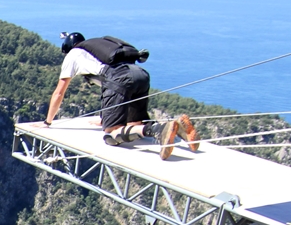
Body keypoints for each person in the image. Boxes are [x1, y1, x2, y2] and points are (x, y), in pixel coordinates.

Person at [44, 32, 198, 160]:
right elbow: (109, 93)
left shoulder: (73, 55)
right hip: (140, 75)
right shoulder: (97, 52)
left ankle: (159, 129)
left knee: (111, 135)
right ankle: (178, 125)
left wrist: (48, 122)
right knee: (135, 124)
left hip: (120, 78)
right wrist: (105, 117)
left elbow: (59, 92)